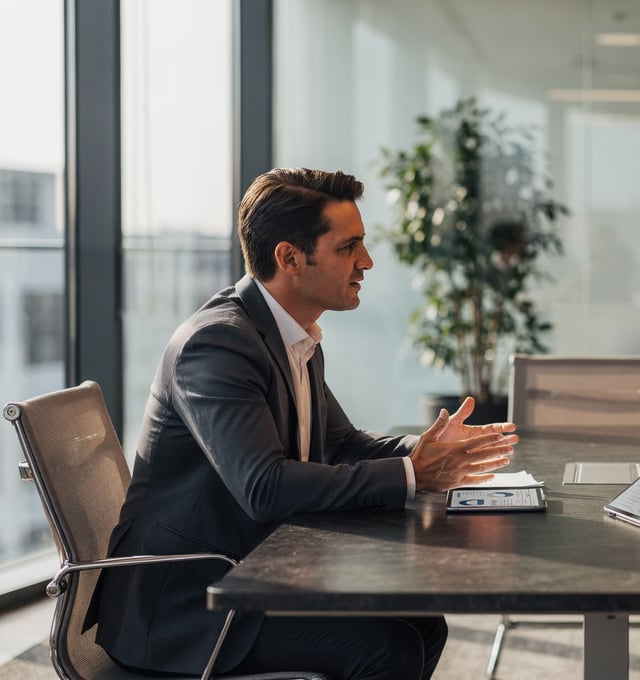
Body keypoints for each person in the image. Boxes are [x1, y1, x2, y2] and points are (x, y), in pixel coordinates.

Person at [89, 168, 518, 679]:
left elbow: (340, 444)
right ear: (290, 258)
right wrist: (413, 475)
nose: (367, 262)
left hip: (254, 571)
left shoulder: (292, 336)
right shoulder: (218, 345)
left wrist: (423, 450)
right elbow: (264, 486)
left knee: (423, 624)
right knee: (387, 648)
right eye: (348, 248)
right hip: (191, 602)